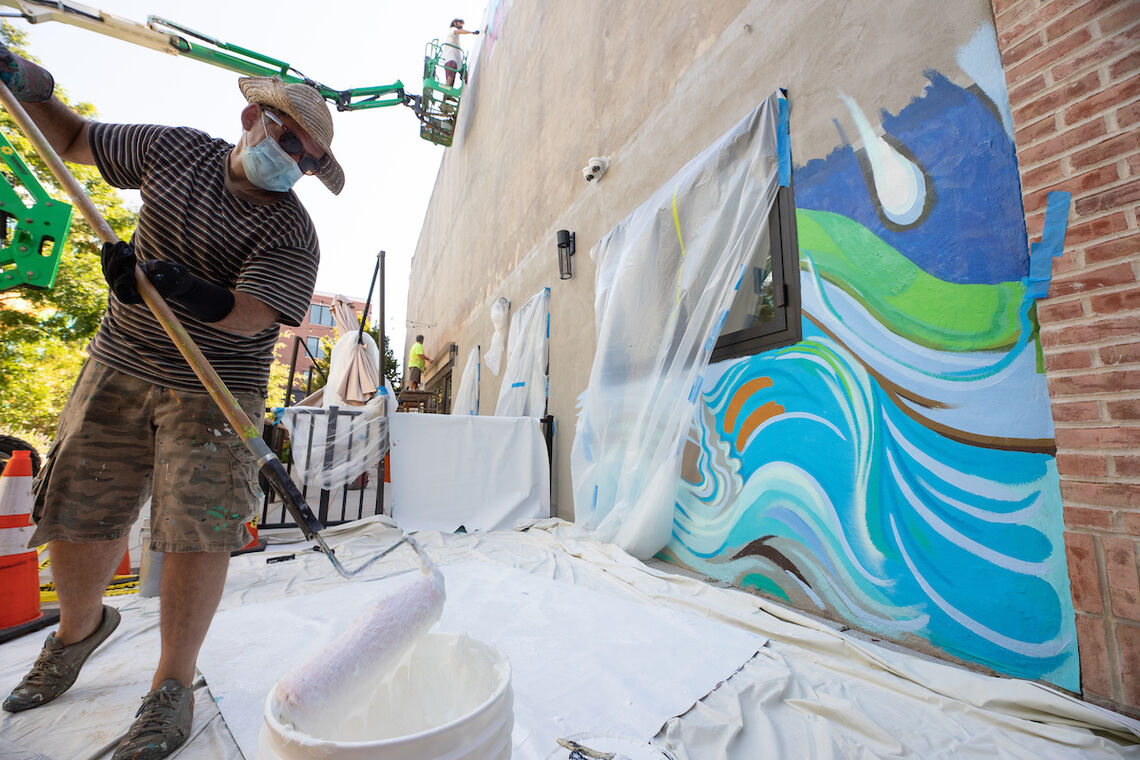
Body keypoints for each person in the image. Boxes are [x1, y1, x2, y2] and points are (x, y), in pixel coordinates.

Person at [0, 45, 342, 760]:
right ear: (253, 117)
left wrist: (176, 287)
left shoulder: (290, 232)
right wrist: (29, 84)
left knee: (199, 529)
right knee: (80, 509)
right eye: (286, 140)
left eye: (306, 160)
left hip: (218, 388)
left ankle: (172, 685)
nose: (292, 163)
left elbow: (252, 314)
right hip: (120, 361)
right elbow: (70, 139)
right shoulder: (174, 152)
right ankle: (77, 633)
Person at [441, 18, 479, 87]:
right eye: (460, 23)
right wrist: (472, 32)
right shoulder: (452, 30)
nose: (461, 25)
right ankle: (446, 91)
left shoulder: (456, 36)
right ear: (455, 23)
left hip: (455, 59)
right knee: (451, 74)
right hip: (450, 58)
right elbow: (459, 31)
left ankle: (466, 84)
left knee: (459, 72)